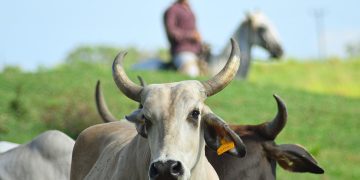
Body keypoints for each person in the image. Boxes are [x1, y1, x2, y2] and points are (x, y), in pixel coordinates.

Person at [164, 0, 202, 77]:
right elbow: (172, 32)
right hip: (181, 51)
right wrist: (192, 35)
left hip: (196, 52)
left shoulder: (189, 10)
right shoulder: (172, 10)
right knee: (192, 72)